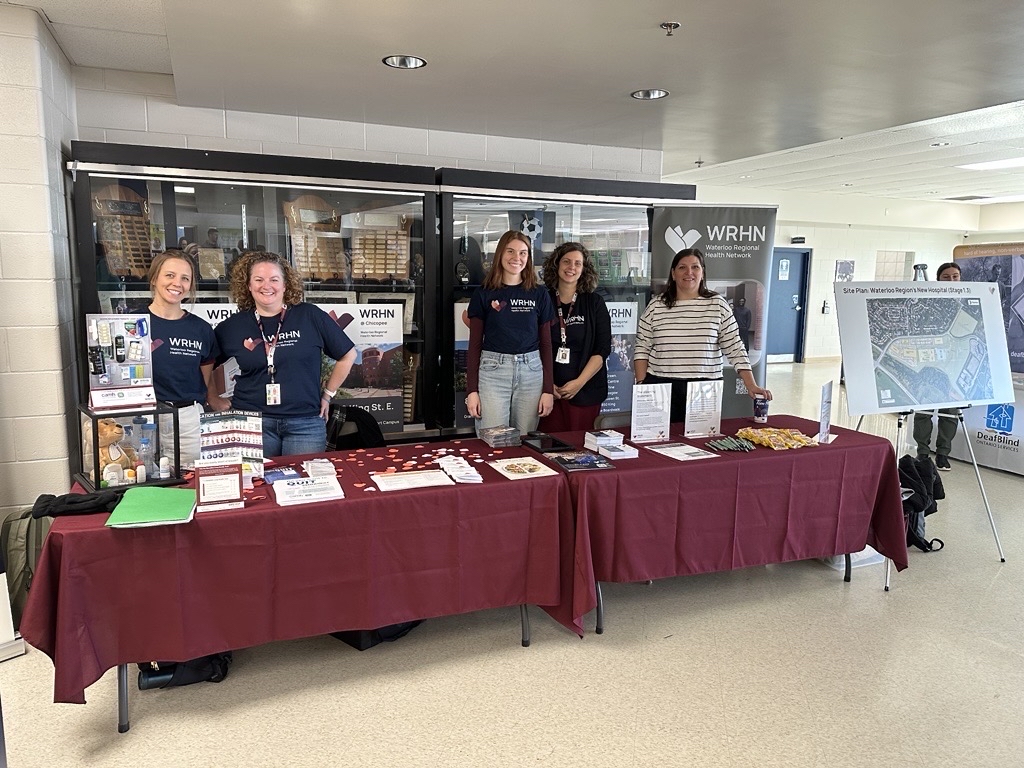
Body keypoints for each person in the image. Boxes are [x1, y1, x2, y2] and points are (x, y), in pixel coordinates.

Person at [214, 251, 356, 457]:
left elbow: (348, 354)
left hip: (305, 422)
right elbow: (205, 363)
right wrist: (212, 397)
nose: (267, 286)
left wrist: (328, 394)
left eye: (274, 279)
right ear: (248, 285)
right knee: (255, 486)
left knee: (304, 485)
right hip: (252, 422)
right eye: (259, 279)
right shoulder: (233, 327)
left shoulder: (309, 315)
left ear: (285, 284)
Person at [633, 248, 771, 423]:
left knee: (701, 443)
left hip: (705, 388)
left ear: (703, 273)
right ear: (673, 273)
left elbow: (735, 347)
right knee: (658, 441)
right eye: (682, 267)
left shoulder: (718, 305)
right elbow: (642, 348)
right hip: (661, 386)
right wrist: (641, 386)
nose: (689, 272)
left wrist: (751, 384)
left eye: (695, 267)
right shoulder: (656, 306)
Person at [464, 230, 554, 434]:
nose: (517, 258)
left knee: (525, 442)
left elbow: (547, 345)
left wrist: (548, 390)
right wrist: (472, 391)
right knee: (495, 441)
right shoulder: (484, 293)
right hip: (493, 372)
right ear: (500, 254)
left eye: (523, 253)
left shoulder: (539, 294)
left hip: (531, 373)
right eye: (511, 251)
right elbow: (475, 345)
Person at [147, 251, 229, 469]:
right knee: (140, 481)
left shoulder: (200, 329)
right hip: (142, 419)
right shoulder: (133, 324)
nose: (177, 283)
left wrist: (214, 399)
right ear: (155, 278)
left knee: (188, 482)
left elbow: (206, 376)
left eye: (185, 278)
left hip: (187, 420)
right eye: (170, 275)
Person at [537, 242, 611, 432]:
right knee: (548, 449)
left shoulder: (594, 302)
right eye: (566, 262)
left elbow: (602, 349)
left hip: (585, 391)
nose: (572, 268)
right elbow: (533, 346)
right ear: (556, 265)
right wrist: (546, 385)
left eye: (578, 263)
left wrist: (578, 383)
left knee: (580, 450)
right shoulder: (543, 300)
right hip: (548, 393)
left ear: (584, 268)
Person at [913, 261, 962, 471]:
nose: (951, 280)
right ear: (938, 279)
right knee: (923, 410)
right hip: (929, 364)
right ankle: (923, 452)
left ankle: (943, 454)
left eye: (955, 276)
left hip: (953, 367)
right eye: (946, 277)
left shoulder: (968, 302)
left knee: (949, 412)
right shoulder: (928, 302)